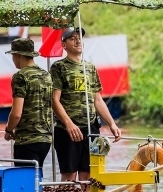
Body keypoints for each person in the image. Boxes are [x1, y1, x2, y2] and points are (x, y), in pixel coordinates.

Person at [51, 27, 121, 184]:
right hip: (67, 130)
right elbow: (54, 100)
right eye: (72, 38)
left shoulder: (90, 68)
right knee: (69, 176)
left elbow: (98, 99)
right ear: (64, 45)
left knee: (88, 175)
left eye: (79, 38)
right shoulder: (59, 67)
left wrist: (112, 123)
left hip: (90, 127)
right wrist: (69, 124)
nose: (78, 41)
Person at [4, 38, 53, 172]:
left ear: (18, 55)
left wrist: (9, 130)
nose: (13, 60)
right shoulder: (46, 75)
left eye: (13, 56)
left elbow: (16, 114)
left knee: (25, 180)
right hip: (45, 139)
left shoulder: (20, 76)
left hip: (27, 140)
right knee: (37, 178)